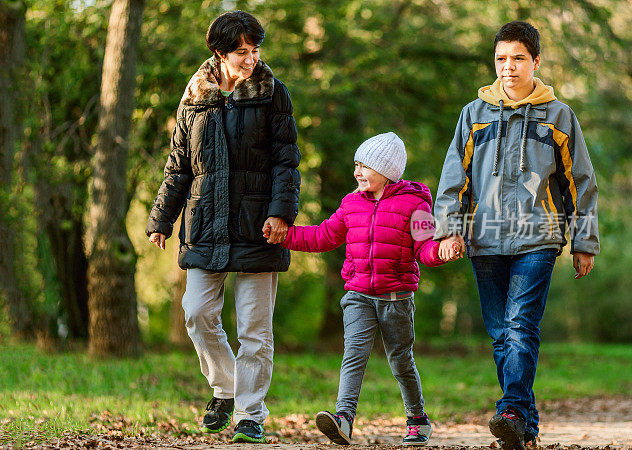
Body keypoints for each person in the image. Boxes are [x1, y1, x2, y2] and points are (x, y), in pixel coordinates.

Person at [434, 21, 599, 449]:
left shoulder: (559, 115)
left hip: (538, 237)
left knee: (520, 325)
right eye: (501, 58)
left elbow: (580, 183)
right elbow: (454, 179)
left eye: (518, 58)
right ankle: (523, 420)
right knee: (501, 333)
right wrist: (450, 230)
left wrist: (583, 241)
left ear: (536, 62)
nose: (508, 67)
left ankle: (509, 408)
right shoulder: (473, 114)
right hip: (483, 238)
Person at [146, 10, 301, 444]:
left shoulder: (274, 95)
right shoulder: (195, 97)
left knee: (255, 328)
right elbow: (179, 165)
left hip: (258, 225)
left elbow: (287, 161)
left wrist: (281, 213)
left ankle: (250, 414)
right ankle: (226, 386)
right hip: (205, 223)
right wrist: (162, 218)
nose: (251, 59)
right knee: (196, 312)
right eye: (242, 52)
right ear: (219, 52)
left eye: (256, 51)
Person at [270, 132, 455, 446]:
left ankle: (417, 419)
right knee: (354, 354)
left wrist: (441, 251)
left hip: (396, 297)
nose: (357, 171)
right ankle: (344, 418)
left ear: (387, 170)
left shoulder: (417, 204)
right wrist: (285, 236)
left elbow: (424, 248)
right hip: (358, 295)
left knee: (400, 360)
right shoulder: (351, 203)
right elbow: (322, 237)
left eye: (365, 165)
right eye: (356, 164)